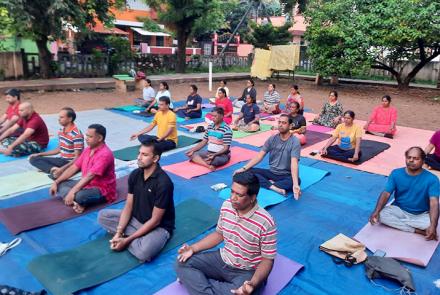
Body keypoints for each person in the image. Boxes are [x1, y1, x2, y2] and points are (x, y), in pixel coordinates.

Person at [175, 171, 277, 295]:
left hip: (247, 271)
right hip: (223, 259)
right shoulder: (227, 205)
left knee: (243, 292)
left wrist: (252, 283)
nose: (232, 198)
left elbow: (267, 260)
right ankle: (206, 287)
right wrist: (192, 248)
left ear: (252, 198)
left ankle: (197, 284)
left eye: (239, 194)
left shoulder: (266, 222)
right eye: (232, 191)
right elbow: (219, 234)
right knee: (182, 263)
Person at [98, 141, 175, 261]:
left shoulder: (163, 183)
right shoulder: (135, 175)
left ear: (155, 158)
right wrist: (119, 232)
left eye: (144, 155)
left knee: (144, 253)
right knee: (102, 216)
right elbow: (128, 206)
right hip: (136, 219)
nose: (139, 157)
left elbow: (155, 221)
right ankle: (135, 237)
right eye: (139, 153)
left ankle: (132, 238)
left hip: (158, 227)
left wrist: (126, 240)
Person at [369, 147, 439, 241]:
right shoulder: (396, 173)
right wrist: (376, 211)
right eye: (409, 157)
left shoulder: (432, 179)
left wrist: (433, 226)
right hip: (400, 210)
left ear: (423, 161)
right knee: (381, 214)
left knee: (429, 224)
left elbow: (434, 203)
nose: (411, 160)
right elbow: (386, 193)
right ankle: (417, 231)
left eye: (416, 158)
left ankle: (404, 225)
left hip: (420, 214)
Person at [49, 124, 116, 214]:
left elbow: (90, 176)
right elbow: (74, 167)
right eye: (86, 135)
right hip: (86, 185)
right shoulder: (87, 150)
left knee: (80, 196)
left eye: (90, 136)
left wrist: (73, 191)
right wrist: (56, 182)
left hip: (102, 189)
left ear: (100, 138)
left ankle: (76, 200)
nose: (86, 138)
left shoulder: (105, 154)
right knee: (60, 183)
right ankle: (76, 202)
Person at [234, 114, 301, 197]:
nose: (280, 125)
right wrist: (243, 168)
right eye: (279, 122)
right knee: (246, 172)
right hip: (271, 172)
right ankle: (274, 187)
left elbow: (294, 163)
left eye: (284, 123)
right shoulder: (272, 139)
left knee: (296, 180)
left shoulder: (295, 141)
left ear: (290, 126)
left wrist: (295, 184)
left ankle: (267, 183)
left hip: (285, 175)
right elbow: (260, 155)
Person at [29, 107, 84, 179]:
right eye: (59, 117)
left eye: (61, 117)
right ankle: (53, 169)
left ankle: (56, 170)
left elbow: (78, 158)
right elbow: (59, 149)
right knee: (33, 158)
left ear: (70, 119)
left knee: (55, 175)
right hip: (62, 160)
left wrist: (62, 168)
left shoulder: (76, 135)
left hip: (71, 163)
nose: (59, 119)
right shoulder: (61, 130)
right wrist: (39, 154)